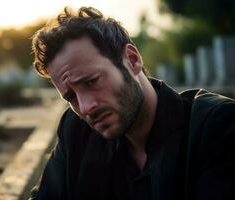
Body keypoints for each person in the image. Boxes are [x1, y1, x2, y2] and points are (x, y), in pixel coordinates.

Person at [30, 6, 235, 200]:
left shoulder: (217, 126)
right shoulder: (75, 130)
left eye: (91, 82)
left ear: (132, 59)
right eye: (71, 97)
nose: (85, 108)